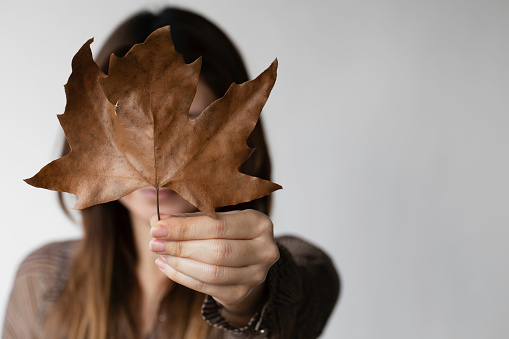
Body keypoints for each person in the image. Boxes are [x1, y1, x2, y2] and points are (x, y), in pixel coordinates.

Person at [2, 7, 339, 339]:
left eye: (189, 125)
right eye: (130, 127)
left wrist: (248, 299)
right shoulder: (42, 280)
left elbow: (304, 286)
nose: (155, 153)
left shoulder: (294, 268)